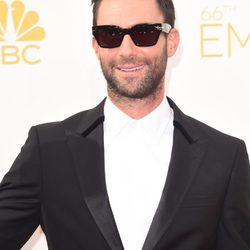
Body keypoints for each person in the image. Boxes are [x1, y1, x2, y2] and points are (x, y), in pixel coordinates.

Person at [0, 0, 249, 249]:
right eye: (110, 35)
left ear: (171, 41)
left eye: (144, 33)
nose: (126, 50)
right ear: (96, 45)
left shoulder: (225, 157)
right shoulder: (48, 150)